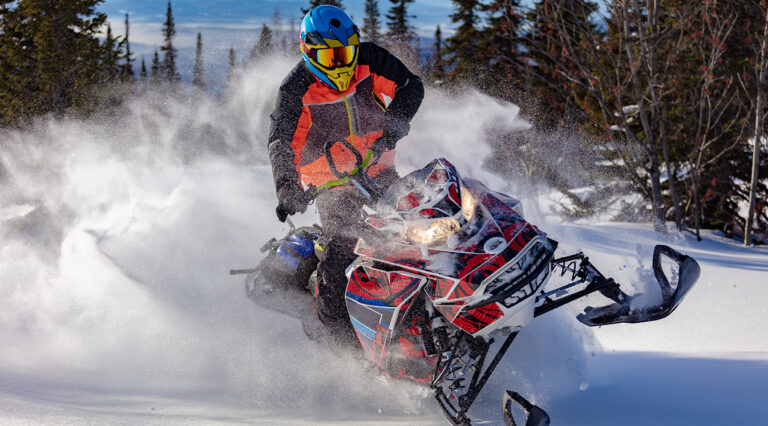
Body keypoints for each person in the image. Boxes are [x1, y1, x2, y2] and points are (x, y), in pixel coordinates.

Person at [267, 5, 424, 344]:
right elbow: (281, 143)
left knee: (422, 227)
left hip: (379, 171)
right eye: (331, 57)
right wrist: (287, 188)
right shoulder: (296, 89)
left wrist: (392, 130)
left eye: (346, 54)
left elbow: (411, 86)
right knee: (342, 255)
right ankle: (341, 345)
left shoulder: (368, 59)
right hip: (331, 185)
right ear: (310, 53)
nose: (341, 64)